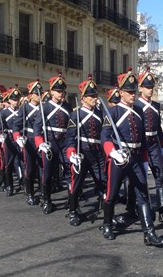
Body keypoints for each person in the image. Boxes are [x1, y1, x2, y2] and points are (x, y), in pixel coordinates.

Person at [100, 67, 163, 246]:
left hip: (136, 157)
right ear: (120, 92)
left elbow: (143, 138)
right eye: (128, 92)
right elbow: (105, 137)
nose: (132, 95)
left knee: (142, 193)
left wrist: (144, 160)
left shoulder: (139, 110)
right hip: (119, 158)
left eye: (133, 91)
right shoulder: (113, 112)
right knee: (112, 193)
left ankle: (149, 233)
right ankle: (107, 224)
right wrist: (112, 152)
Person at [65, 74, 106, 226]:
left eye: (95, 95)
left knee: (103, 182)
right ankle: (73, 211)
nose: (95, 98)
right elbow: (69, 138)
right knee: (76, 185)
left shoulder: (100, 114)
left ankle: (108, 213)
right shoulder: (75, 115)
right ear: (83, 99)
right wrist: (71, 154)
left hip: (97, 154)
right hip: (81, 153)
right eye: (91, 96)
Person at [33, 73, 72, 214]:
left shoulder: (68, 107)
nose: (61, 93)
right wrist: (40, 143)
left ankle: (72, 199)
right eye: (58, 91)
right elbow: (37, 128)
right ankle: (47, 200)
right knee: (48, 173)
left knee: (69, 171)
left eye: (62, 91)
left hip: (64, 143)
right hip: (50, 142)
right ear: (51, 92)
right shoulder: (45, 107)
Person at [134, 67, 163, 222]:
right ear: (141, 88)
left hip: (154, 143)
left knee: (160, 176)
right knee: (139, 178)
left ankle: (162, 208)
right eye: (147, 87)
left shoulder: (155, 105)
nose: (150, 90)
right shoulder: (136, 105)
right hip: (141, 145)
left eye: (152, 87)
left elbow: (159, 128)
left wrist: (162, 146)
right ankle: (139, 207)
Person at [13, 80, 43, 207]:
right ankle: (30, 193)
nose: (39, 95)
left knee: (42, 168)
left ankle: (43, 193)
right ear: (31, 95)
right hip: (29, 141)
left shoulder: (43, 107)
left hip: (41, 141)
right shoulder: (24, 108)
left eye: (40, 93)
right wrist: (18, 137)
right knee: (30, 169)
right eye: (36, 93)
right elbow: (16, 126)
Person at [0, 86, 22, 196]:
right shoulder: (4, 113)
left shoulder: (22, 111)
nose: (16, 102)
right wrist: (1, 136)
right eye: (14, 99)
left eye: (18, 99)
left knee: (22, 163)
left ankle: (23, 183)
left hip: (20, 140)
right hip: (9, 140)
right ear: (10, 100)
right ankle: (9, 186)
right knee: (9, 164)